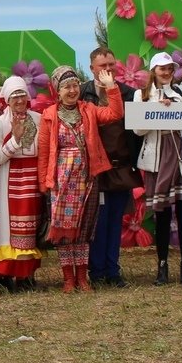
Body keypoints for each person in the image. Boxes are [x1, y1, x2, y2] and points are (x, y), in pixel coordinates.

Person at [132, 20, 182, 285]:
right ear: (153, 71)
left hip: (181, 154)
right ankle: (162, 265)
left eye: (170, 68)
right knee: (162, 213)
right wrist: (157, 108)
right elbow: (138, 132)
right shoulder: (140, 96)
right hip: (158, 157)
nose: (166, 72)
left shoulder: (180, 90)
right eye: (162, 69)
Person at [39, 65, 125, 293]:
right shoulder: (49, 115)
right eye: (67, 86)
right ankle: (68, 278)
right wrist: (44, 183)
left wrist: (111, 88)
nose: (72, 90)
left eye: (75, 85)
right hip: (61, 180)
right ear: (57, 90)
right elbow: (45, 150)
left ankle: (83, 278)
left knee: (84, 229)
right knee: (63, 230)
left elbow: (115, 114)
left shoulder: (89, 109)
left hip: (87, 179)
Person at [80, 47, 141, 288]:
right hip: (95, 170)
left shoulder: (130, 93)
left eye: (111, 65)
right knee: (98, 222)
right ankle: (96, 272)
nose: (107, 69)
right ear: (92, 68)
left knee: (115, 221)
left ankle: (113, 271)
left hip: (121, 168)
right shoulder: (82, 94)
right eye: (102, 65)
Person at [0, 75, 43, 290]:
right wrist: (15, 140)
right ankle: (7, 275)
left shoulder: (38, 119)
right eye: (14, 97)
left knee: (33, 227)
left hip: (34, 177)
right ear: (7, 100)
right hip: (12, 178)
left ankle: (26, 275)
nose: (19, 100)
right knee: (11, 230)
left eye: (22, 95)